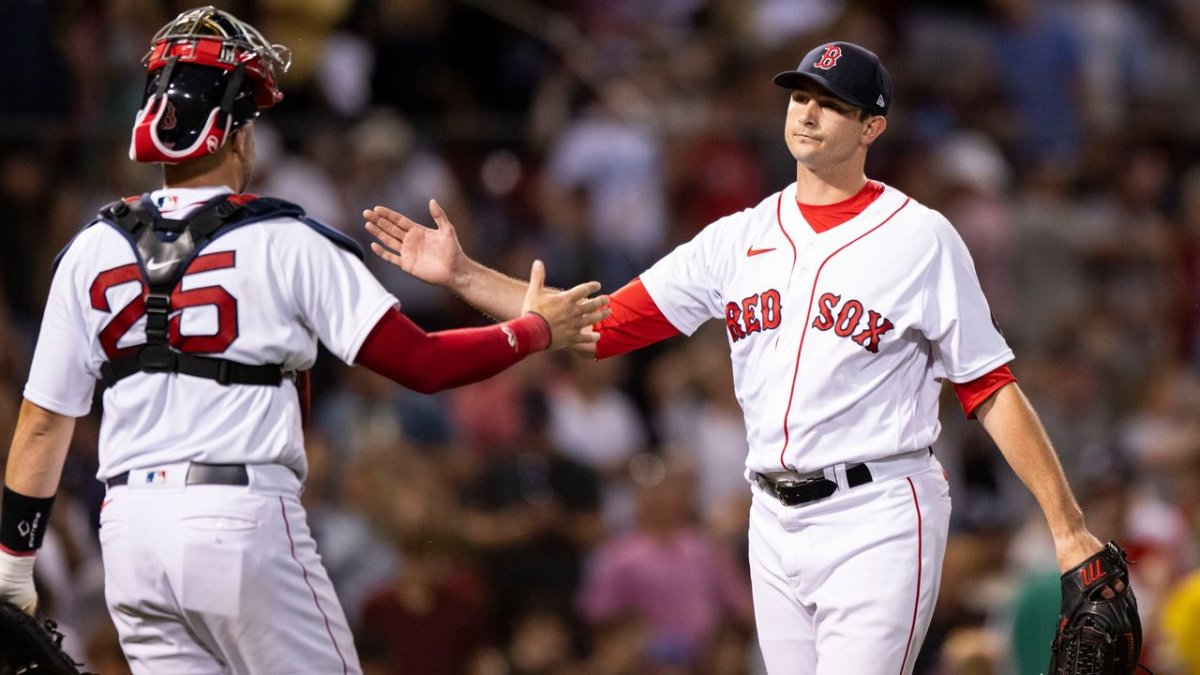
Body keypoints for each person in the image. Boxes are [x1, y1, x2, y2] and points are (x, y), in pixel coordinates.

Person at [364, 41, 1114, 674]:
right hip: (772, 521)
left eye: (831, 102)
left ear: (872, 126)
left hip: (881, 511)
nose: (808, 111)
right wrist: (466, 277)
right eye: (799, 97)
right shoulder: (737, 237)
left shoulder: (920, 237)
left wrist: (1068, 525)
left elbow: (990, 386)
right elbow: (596, 327)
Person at [0, 7, 607, 674]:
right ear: (236, 135)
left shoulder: (88, 250)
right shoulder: (287, 238)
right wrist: (533, 329)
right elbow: (422, 362)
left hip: (129, 532)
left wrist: (14, 563)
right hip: (238, 515)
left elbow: (38, 426)